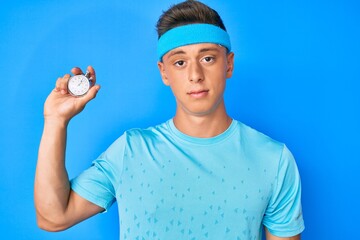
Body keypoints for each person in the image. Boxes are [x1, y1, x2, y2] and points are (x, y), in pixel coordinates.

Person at [35, 0, 305, 239]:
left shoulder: (274, 160)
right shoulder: (131, 150)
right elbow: (54, 217)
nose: (195, 74)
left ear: (229, 64)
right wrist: (55, 121)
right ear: (164, 73)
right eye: (180, 62)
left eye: (208, 58)